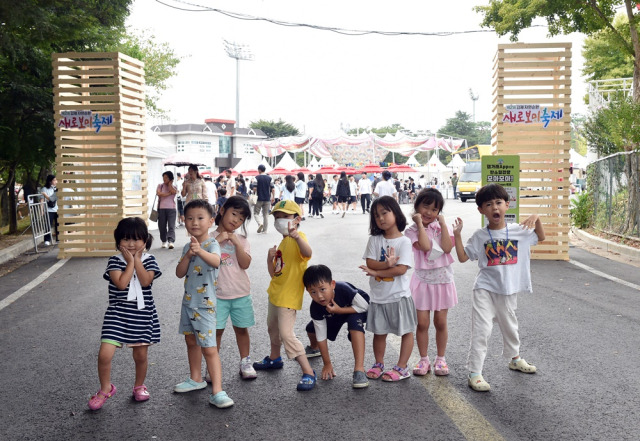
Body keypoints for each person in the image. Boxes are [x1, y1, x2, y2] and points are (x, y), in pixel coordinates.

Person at [453, 183, 545, 392]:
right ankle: (475, 373)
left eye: (498, 203)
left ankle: (515, 358)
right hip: (484, 288)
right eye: (488, 204)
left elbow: (541, 237)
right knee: (482, 330)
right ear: (481, 210)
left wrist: (536, 217)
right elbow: (462, 257)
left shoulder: (518, 231)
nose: (494, 207)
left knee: (510, 325)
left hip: (508, 289)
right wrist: (457, 235)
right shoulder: (480, 236)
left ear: (507, 205)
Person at [88, 217, 161, 410]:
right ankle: (105, 388)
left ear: (145, 241)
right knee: (104, 354)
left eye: (136, 239)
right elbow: (121, 284)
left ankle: (139, 386)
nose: (131, 243)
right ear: (118, 241)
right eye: (126, 239)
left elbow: (145, 281)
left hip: (142, 315)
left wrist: (137, 261)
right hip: (117, 315)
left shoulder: (150, 260)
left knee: (140, 356)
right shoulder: (114, 261)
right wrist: (130, 262)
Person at [174, 199, 234, 408]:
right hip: (188, 304)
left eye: (200, 218)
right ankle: (195, 378)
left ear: (210, 221)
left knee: (209, 348)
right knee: (191, 341)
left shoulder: (212, 244)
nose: (195, 222)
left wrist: (199, 251)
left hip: (205, 306)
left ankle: (217, 390)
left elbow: (216, 261)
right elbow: (179, 273)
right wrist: (189, 253)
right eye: (189, 218)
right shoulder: (187, 247)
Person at [252, 200, 316, 391]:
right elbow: (274, 274)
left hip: (288, 296)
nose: (280, 220)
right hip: (276, 293)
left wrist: (297, 237)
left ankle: (308, 372)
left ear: (297, 219)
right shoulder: (283, 241)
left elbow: (308, 253)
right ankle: (274, 358)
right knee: (273, 329)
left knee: (287, 334)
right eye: (277, 217)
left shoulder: (298, 238)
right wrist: (269, 258)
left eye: (285, 217)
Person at [359, 196, 417, 382]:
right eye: (377, 216)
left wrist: (377, 271)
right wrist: (385, 264)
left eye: (385, 213)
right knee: (379, 332)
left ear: (396, 213)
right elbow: (369, 261)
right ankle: (378, 363)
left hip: (399, 296)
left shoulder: (404, 242)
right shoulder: (375, 240)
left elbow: (401, 269)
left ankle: (402, 367)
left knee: (406, 331)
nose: (381, 218)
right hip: (378, 296)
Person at [405, 188, 457, 377]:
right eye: (425, 206)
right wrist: (419, 224)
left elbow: (447, 248)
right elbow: (426, 247)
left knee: (441, 322)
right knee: (422, 323)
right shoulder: (411, 231)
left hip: (443, 280)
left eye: (434, 210)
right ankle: (424, 359)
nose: (429, 212)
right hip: (422, 282)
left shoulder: (442, 226)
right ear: (417, 206)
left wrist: (442, 224)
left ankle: (441, 359)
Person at [210, 196, 257, 380]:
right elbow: (204, 262)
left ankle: (245, 361)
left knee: (242, 329)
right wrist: (218, 242)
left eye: (241, 218)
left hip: (240, 294)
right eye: (233, 213)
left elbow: (245, 264)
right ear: (222, 211)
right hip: (216, 295)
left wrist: (236, 243)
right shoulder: (209, 238)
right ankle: (213, 365)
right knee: (216, 331)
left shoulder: (242, 240)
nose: (236, 220)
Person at [303, 264, 371, 388]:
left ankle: (359, 370)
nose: (319, 296)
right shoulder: (315, 307)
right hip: (334, 313)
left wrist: (340, 310)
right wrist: (327, 363)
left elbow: (365, 306)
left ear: (332, 284)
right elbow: (321, 336)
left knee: (355, 325)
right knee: (311, 329)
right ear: (308, 292)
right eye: (313, 292)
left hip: (355, 309)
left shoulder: (344, 289)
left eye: (322, 289)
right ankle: (314, 348)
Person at [157, 171, 178, 249]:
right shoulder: (160, 186)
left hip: (171, 209)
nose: (164, 179)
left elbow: (173, 191)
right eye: (163, 177)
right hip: (161, 208)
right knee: (162, 226)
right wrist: (169, 194)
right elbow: (159, 193)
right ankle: (164, 241)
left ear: (170, 178)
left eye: (166, 177)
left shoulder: (174, 186)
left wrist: (170, 184)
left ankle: (171, 241)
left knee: (171, 226)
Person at [254, 164, 273, 234]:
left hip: (259, 198)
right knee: (265, 215)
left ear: (259, 170)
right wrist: (272, 197)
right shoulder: (270, 178)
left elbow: (254, 188)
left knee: (256, 213)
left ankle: (259, 223)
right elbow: (273, 189)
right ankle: (265, 230)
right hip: (267, 199)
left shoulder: (257, 178)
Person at [41, 174, 58, 246]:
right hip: (49, 210)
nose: (56, 181)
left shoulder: (56, 189)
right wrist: (41, 210)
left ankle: (58, 238)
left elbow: (53, 199)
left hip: (57, 209)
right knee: (48, 225)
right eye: (54, 180)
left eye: (56, 180)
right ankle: (47, 240)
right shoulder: (44, 189)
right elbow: (41, 200)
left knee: (58, 224)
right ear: (50, 181)